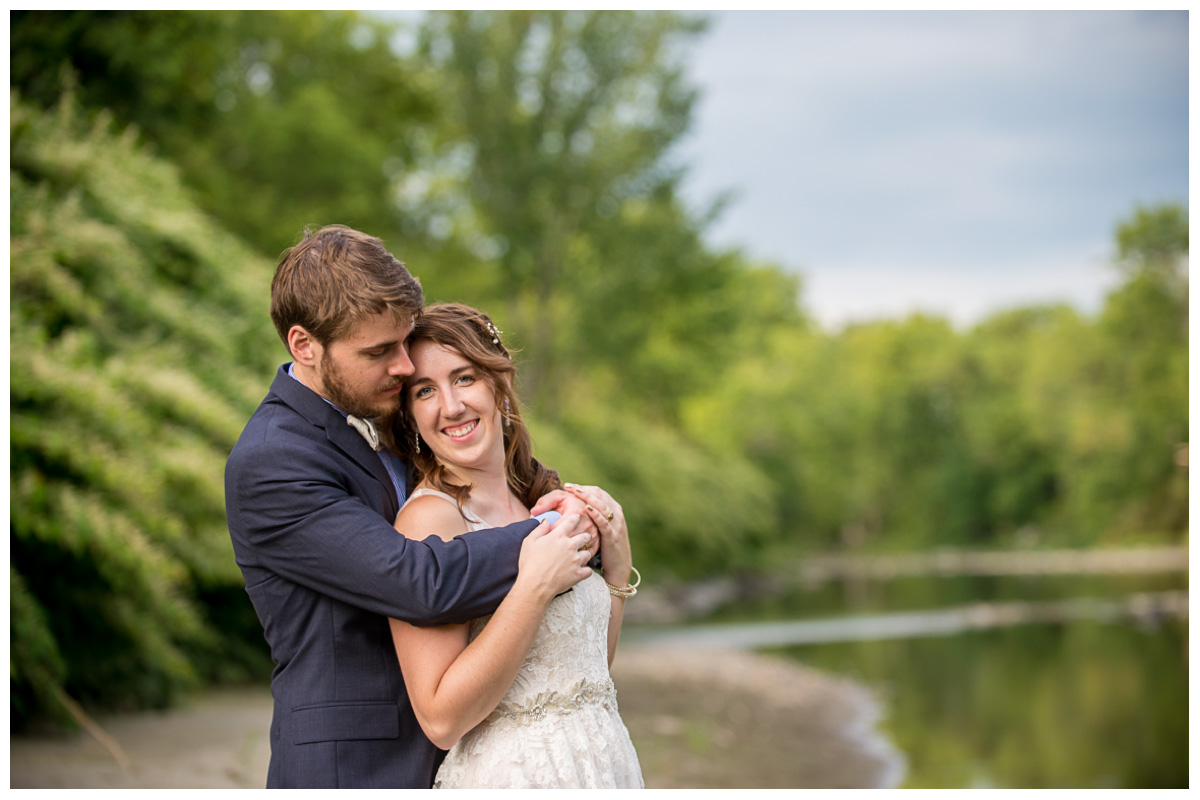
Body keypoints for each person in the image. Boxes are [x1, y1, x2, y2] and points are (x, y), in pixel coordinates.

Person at [224, 226, 600, 788]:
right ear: (304, 345)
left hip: (467, 756)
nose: (404, 367)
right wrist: (558, 531)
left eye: (403, 343)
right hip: (354, 770)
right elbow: (418, 580)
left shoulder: (386, 424)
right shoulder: (273, 460)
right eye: (379, 352)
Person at [385, 303, 644, 789]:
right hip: (515, 777)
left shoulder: (540, 504)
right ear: (410, 414)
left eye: (464, 378)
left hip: (602, 766)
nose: (451, 405)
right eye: (425, 390)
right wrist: (534, 587)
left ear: (497, 385)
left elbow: (586, 669)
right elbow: (441, 720)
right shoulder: (431, 521)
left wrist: (617, 564)